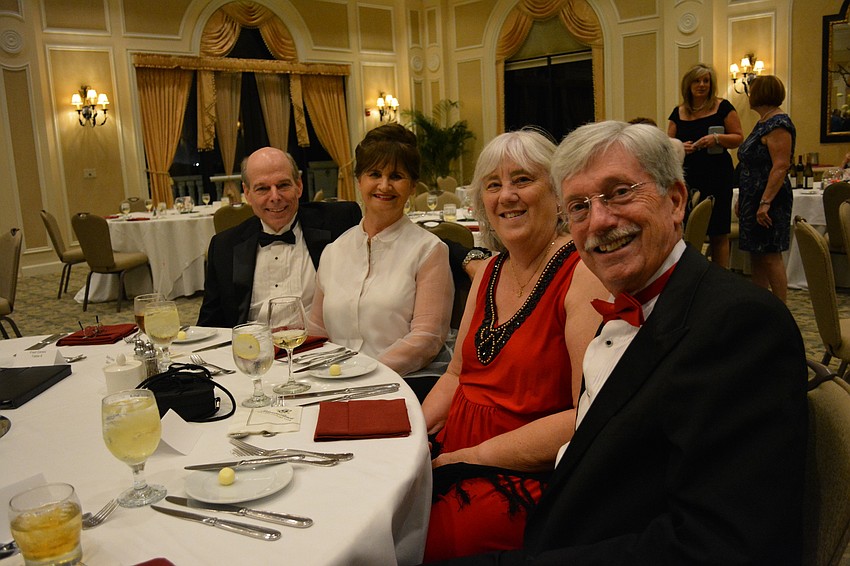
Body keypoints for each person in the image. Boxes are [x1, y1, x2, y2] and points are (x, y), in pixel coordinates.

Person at [421, 130, 605, 561]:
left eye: (523, 180)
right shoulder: (488, 270)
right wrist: (410, 436)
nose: (507, 196)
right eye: (493, 184)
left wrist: (473, 456)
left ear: (558, 193)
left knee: (438, 537)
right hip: (456, 446)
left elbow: (587, 413)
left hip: (525, 465)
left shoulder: (583, 274)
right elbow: (455, 375)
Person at [307, 124, 453, 377]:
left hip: (396, 383)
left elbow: (426, 338)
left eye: (396, 176)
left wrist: (366, 372)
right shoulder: (334, 251)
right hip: (331, 381)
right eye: (374, 174)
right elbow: (317, 329)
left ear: (412, 187)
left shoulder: (429, 251)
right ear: (359, 180)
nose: (384, 186)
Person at [197, 147, 361, 328]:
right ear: (248, 193)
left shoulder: (339, 221)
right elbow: (209, 324)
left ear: (298, 186)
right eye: (262, 188)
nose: (275, 197)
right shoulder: (224, 246)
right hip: (252, 349)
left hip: (321, 348)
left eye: (283, 185)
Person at [668, 63, 743, 268]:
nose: (702, 85)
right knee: (686, 228)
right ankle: (689, 272)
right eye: (697, 80)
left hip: (717, 174)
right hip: (687, 176)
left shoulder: (723, 107)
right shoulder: (678, 112)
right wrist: (680, 146)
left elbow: (738, 138)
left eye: (706, 81)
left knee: (718, 230)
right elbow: (666, 145)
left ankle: (720, 276)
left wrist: (717, 139)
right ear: (688, 84)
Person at [737, 75, 795, 303]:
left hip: (770, 198)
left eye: (752, 90)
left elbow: (780, 166)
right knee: (757, 255)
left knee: (771, 255)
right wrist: (743, 199)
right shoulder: (764, 122)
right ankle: (762, 306)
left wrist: (765, 202)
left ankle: (781, 308)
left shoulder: (778, 123)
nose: (749, 95)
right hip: (754, 197)